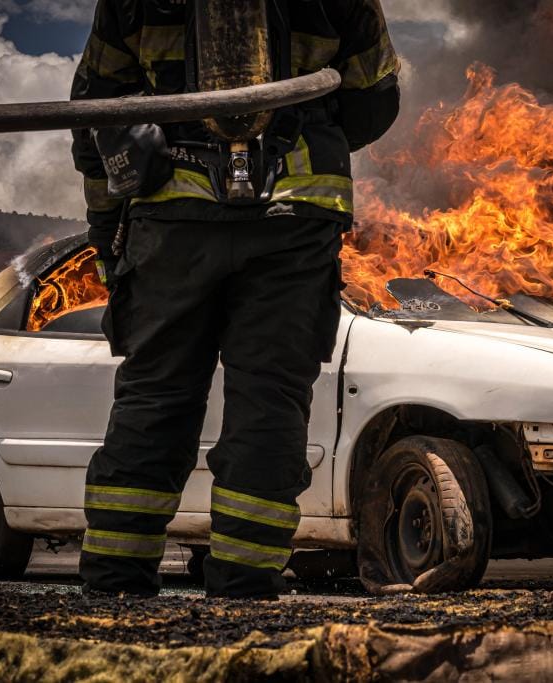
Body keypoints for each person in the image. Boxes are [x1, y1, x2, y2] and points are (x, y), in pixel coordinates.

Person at [70, 0, 400, 599]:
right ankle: (244, 587)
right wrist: (303, 120)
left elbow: (97, 111)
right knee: (270, 404)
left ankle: (116, 585)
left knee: (155, 396)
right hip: (294, 220)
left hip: (170, 225)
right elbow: (373, 102)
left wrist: (105, 233)